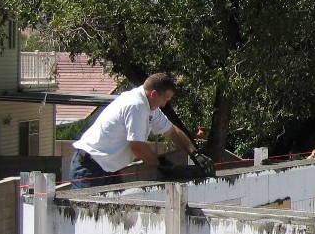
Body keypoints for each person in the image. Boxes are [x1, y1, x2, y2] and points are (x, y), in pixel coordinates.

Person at [69, 73, 216, 188]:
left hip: (107, 168)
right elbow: (137, 147)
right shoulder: (136, 105)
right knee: (91, 221)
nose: (165, 104)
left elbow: (172, 131)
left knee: (115, 220)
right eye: (165, 99)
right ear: (153, 94)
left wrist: (195, 153)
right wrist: (160, 163)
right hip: (90, 167)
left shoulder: (151, 108)